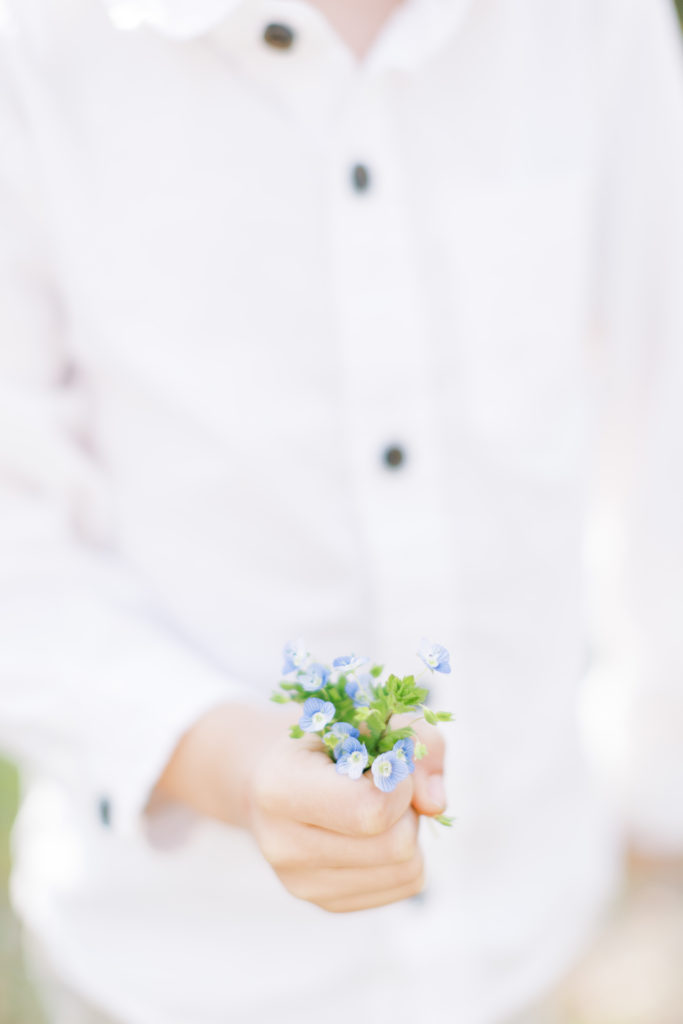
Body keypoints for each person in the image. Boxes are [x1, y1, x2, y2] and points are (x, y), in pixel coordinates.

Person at [1, 0, 682, 1022]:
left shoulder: (589, 24)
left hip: (542, 925)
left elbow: (660, 411)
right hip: (182, 973)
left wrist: (656, 794)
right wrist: (232, 765)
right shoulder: (41, 44)